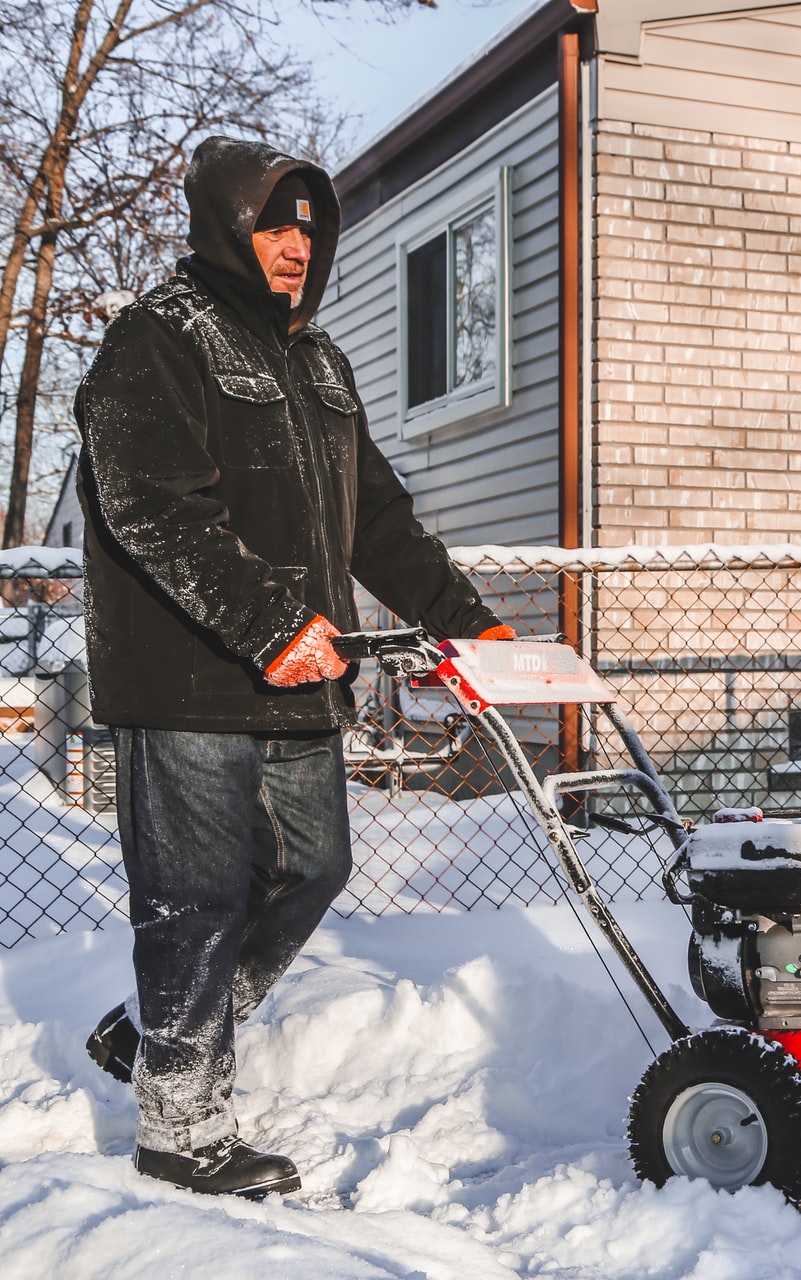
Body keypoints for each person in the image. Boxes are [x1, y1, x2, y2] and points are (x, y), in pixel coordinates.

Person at [73, 136, 512, 1198]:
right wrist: (270, 620)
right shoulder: (157, 338)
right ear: (227, 222)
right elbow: (150, 503)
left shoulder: (320, 362)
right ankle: (180, 1127)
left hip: (303, 678)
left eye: (312, 228)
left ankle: (160, 1037)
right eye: (276, 224)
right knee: (196, 895)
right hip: (190, 679)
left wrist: (471, 623)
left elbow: (380, 521)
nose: (296, 247)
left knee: (313, 867)